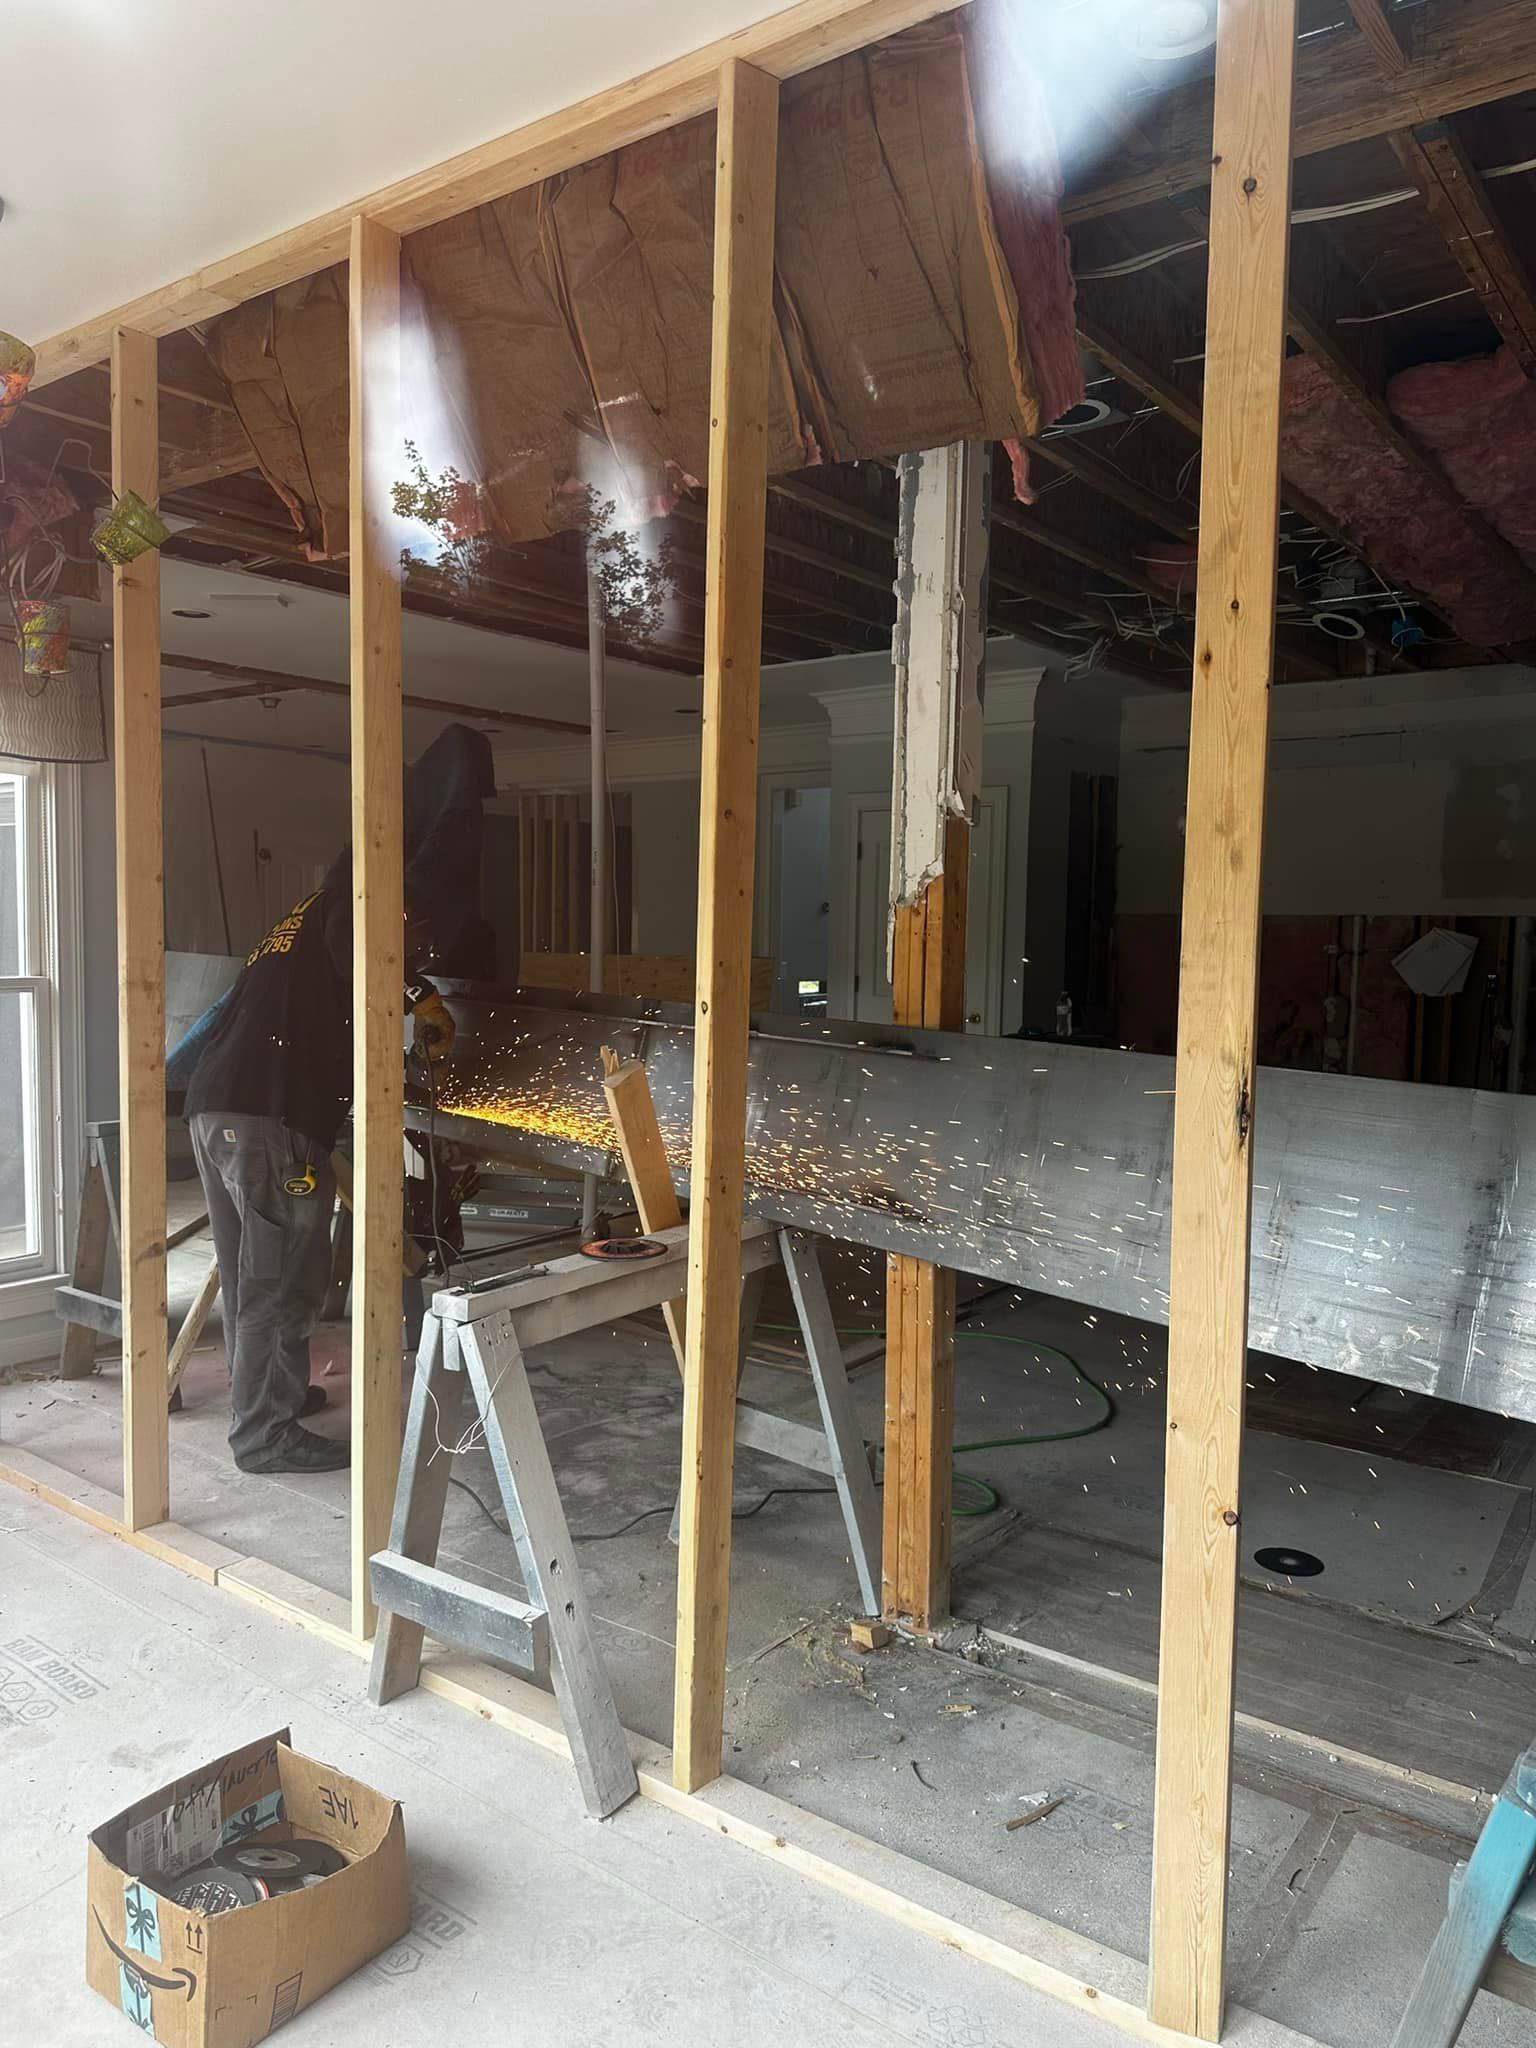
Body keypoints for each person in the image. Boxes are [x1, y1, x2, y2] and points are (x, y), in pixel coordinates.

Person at [184, 885, 455, 1474]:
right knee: (276, 1284)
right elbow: (370, 963)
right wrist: (422, 997)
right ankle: (263, 1436)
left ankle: (270, 1399)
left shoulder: (302, 920)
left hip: (219, 1110)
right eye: (415, 933)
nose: (414, 944)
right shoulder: (354, 903)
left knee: (250, 1275)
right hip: (267, 1121)